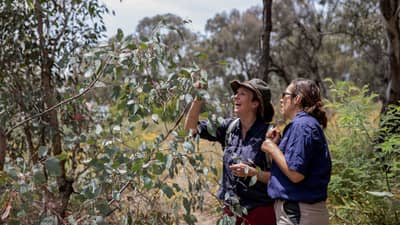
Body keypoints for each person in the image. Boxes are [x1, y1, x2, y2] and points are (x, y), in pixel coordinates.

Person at [185, 78, 276, 225]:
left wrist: (253, 173)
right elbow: (190, 129)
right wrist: (198, 98)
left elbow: (279, 178)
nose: (236, 96)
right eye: (236, 93)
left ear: (255, 103)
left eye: (242, 94)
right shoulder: (229, 127)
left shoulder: (270, 134)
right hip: (230, 212)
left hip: (260, 213)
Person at [261, 78, 331, 225]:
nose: (280, 100)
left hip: (298, 213)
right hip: (302, 212)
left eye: (284, 94)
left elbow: (296, 174)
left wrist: (272, 149)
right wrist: (279, 145)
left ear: (297, 99)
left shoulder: (301, 126)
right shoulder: (305, 124)